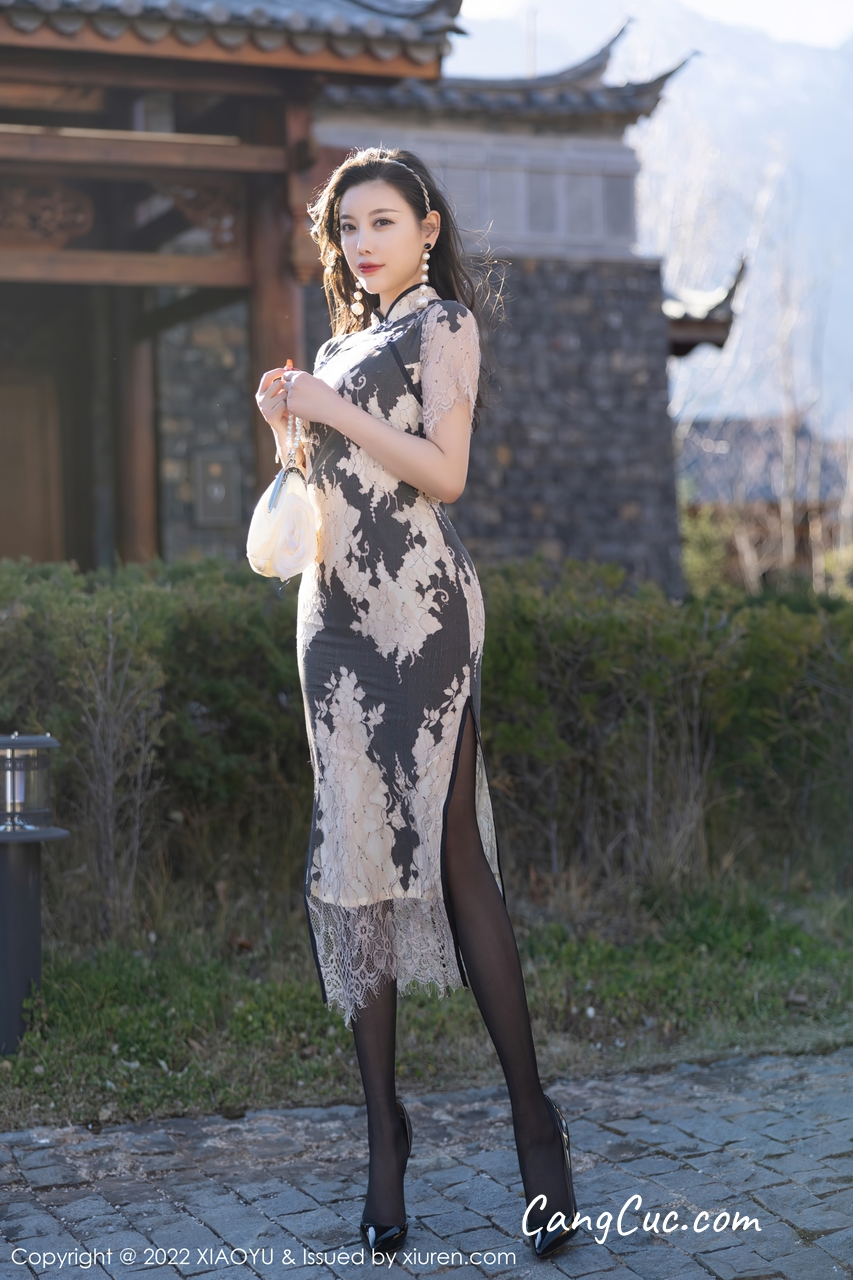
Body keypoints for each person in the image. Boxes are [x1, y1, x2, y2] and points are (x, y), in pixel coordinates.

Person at [255, 147, 578, 1260]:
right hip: (333, 619)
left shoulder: (443, 326)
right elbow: (323, 489)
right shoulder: (337, 347)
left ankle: (532, 1119)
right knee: (354, 863)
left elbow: (444, 475)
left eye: (382, 221)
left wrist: (328, 407)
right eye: (346, 227)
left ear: (427, 228)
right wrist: (289, 422)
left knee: (451, 857)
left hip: (421, 612)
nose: (361, 243)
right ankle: (382, 1138)